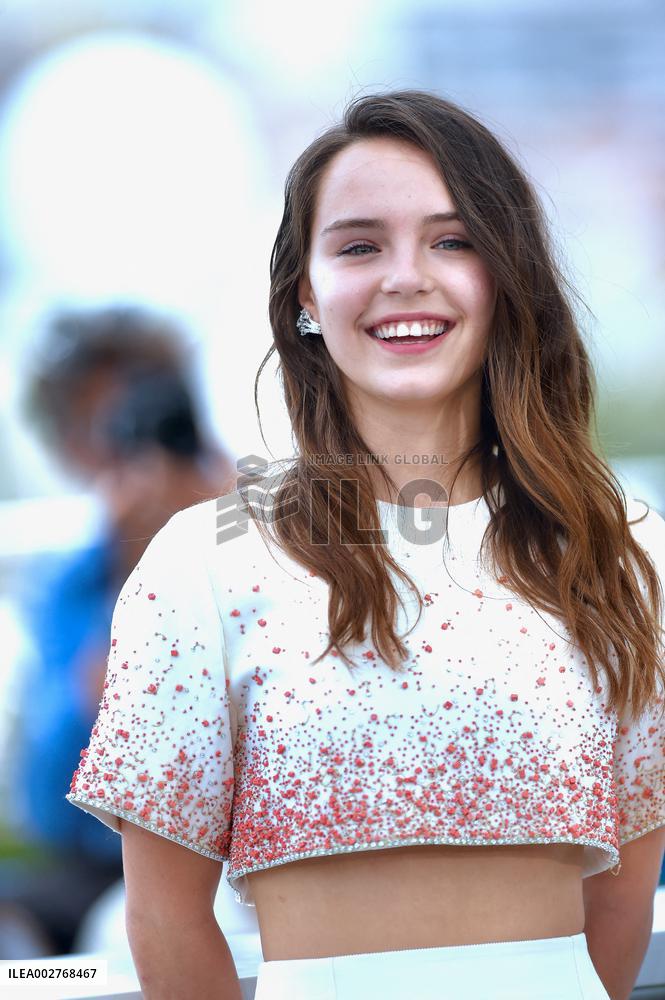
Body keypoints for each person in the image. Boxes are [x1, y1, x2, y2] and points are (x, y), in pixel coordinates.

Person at [66, 93, 664, 1000]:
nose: (405, 277)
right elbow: (164, 920)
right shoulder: (203, 562)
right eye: (358, 246)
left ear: (506, 276)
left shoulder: (616, 548)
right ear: (305, 293)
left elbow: (623, 901)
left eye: (452, 240)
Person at [2, 305, 236, 956]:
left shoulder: (263, 533)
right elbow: (50, 807)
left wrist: (220, 531)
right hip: (108, 864)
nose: (137, 445)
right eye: (109, 427)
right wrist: (127, 571)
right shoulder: (74, 581)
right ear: (73, 447)